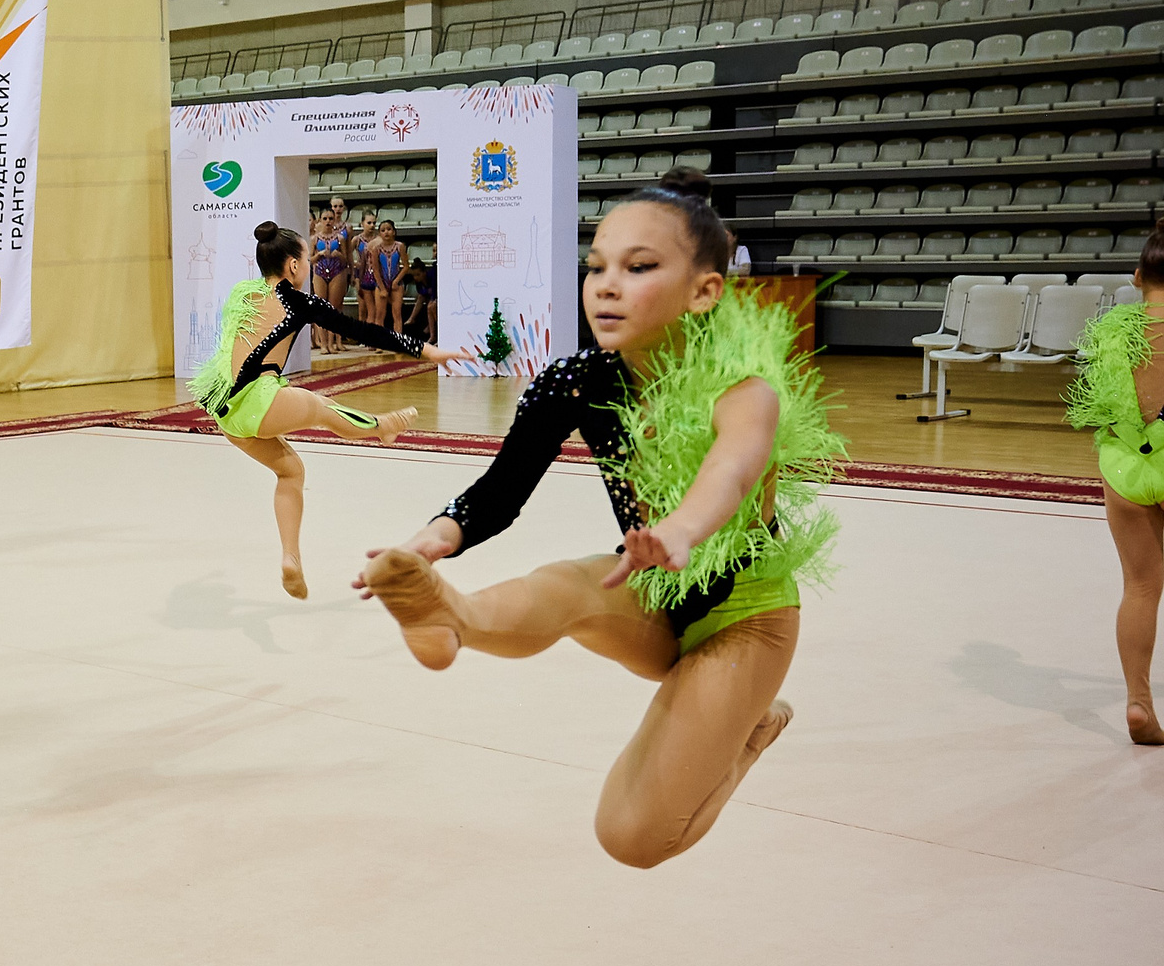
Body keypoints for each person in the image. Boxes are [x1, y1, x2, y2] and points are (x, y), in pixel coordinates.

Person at [351, 169, 844, 866]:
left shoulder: (747, 384)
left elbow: (728, 472)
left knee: (632, 837)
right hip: (644, 589)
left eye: (638, 267)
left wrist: (677, 531)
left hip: (745, 614)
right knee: (568, 585)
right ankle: (444, 614)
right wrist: (429, 541)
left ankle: (751, 733)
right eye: (596, 267)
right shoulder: (576, 380)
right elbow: (500, 490)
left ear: (705, 290)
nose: (606, 284)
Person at [194, 220, 472, 598]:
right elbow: (364, 331)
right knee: (321, 408)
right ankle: (381, 426)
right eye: (305, 259)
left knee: (291, 471)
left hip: (225, 411)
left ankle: (290, 558)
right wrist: (428, 350)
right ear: (293, 265)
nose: (307, 267)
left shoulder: (241, 293)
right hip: (260, 397)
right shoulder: (300, 301)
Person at [1065, 221, 1164, 745]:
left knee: (1142, 587)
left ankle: (1138, 702)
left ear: (1136, 276)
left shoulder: (1110, 330)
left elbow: (1100, 406)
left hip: (1126, 465)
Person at [310, 211, 353, 352]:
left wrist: (339, 255)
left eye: (330, 218)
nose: (328, 221)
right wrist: (319, 254)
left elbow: (346, 259)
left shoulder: (340, 238)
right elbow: (309, 260)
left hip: (337, 273)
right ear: (320, 221)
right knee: (321, 308)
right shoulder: (315, 239)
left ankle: (330, 343)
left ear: (334, 220)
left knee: (333, 309)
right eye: (325, 218)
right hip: (320, 273)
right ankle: (323, 344)